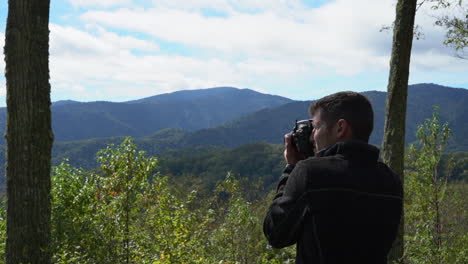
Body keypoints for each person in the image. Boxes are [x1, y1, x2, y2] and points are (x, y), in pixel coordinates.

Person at [263, 91, 403, 264]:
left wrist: (290, 168)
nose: (312, 136)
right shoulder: (391, 181)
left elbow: (275, 234)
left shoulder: (310, 173)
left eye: (316, 127)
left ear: (340, 128)